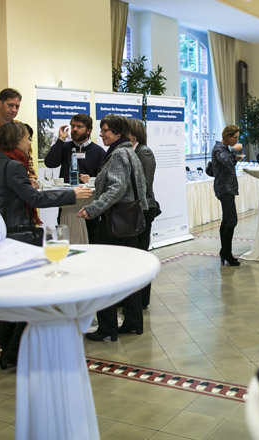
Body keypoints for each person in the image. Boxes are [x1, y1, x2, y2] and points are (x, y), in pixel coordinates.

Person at [0, 122, 92, 368]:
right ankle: (12, 354)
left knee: (7, 296)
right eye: (28, 139)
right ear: (16, 140)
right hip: (18, 237)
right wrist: (73, 195)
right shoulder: (14, 167)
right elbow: (34, 199)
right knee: (27, 297)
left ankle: (6, 347)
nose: (30, 143)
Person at [78, 114, 148, 339]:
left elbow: (116, 189)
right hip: (132, 222)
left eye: (105, 130)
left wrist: (93, 209)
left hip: (115, 225)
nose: (101, 134)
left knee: (105, 276)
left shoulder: (118, 154)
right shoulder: (130, 151)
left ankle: (108, 328)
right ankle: (133, 322)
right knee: (130, 276)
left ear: (118, 133)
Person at [44, 113, 104, 242]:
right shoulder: (65, 147)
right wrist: (60, 140)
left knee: (90, 242)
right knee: (64, 240)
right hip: (67, 204)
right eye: (73, 126)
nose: (74, 129)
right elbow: (50, 163)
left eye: (79, 126)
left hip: (88, 206)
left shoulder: (98, 151)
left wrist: (92, 179)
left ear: (88, 130)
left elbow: (103, 177)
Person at [129, 118, 160, 308]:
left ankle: (142, 301)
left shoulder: (144, 152)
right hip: (133, 209)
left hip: (143, 208)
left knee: (142, 253)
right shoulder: (131, 151)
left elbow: (145, 184)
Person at [213, 124, 245, 266]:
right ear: (228, 136)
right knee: (232, 220)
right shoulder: (219, 148)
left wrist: (236, 158)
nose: (237, 141)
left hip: (228, 188)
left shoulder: (224, 149)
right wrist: (234, 151)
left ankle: (225, 251)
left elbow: (229, 162)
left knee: (227, 220)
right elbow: (225, 160)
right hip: (224, 188)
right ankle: (227, 252)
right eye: (235, 138)